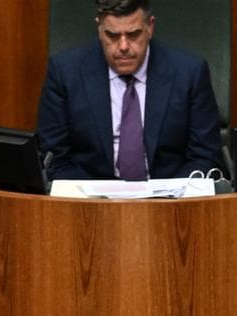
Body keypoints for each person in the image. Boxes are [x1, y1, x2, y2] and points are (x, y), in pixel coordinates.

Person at [36, 0, 222, 181]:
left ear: (150, 27)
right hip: (89, 193)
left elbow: (205, 156)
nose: (123, 46)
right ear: (99, 28)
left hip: (170, 193)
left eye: (133, 35)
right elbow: (54, 159)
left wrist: (167, 196)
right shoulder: (65, 73)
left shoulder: (189, 73)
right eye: (112, 35)